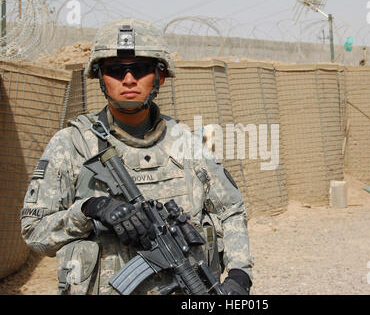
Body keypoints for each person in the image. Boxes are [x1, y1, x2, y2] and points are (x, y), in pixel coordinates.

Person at [20, 18, 253, 295]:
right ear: (100, 78)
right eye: (116, 71)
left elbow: (230, 211)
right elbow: (34, 231)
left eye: (140, 70)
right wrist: (89, 210)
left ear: (160, 77)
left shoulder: (186, 143)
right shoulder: (72, 145)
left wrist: (240, 274)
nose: (128, 79)